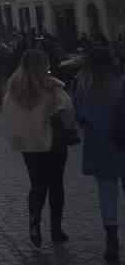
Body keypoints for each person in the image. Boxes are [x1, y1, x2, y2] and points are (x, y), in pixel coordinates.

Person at [3, 49, 75, 249]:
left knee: (37, 184)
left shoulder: (13, 88)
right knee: (56, 185)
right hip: (52, 142)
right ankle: (56, 229)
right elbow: (67, 109)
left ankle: (34, 220)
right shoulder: (51, 86)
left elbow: (7, 112)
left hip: (28, 144)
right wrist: (64, 123)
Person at [70, 45, 125, 261]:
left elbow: (79, 114)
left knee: (107, 193)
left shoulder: (85, 87)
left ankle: (111, 237)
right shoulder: (120, 84)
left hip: (99, 145)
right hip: (121, 143)